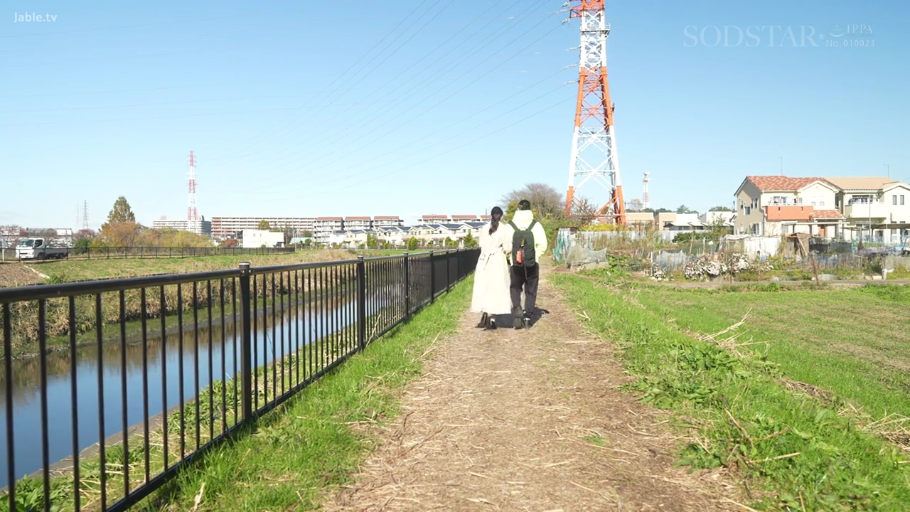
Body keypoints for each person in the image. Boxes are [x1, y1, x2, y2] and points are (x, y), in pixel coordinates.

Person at [504, 199, 547, 329]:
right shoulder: (536, 225)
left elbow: (505, 246)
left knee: (515, 288)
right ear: (530, 209)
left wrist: (510, 258)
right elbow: (543, 245)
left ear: (518, 209)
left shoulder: (510, 226)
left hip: (515, 264)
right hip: (532, 263)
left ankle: (517, 311)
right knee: (531, 290)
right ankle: (528, 317)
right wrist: (535, 256)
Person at [469, 206, 512, 330]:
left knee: (483, 287)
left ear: (491, 215)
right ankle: (492, 319)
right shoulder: (505, 229)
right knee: (496, 288)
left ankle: (484, 314)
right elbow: (508, 247)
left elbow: (481, 244)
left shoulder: (484, 228)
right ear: (501, 216)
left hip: (484, 260)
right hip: (497, 260)